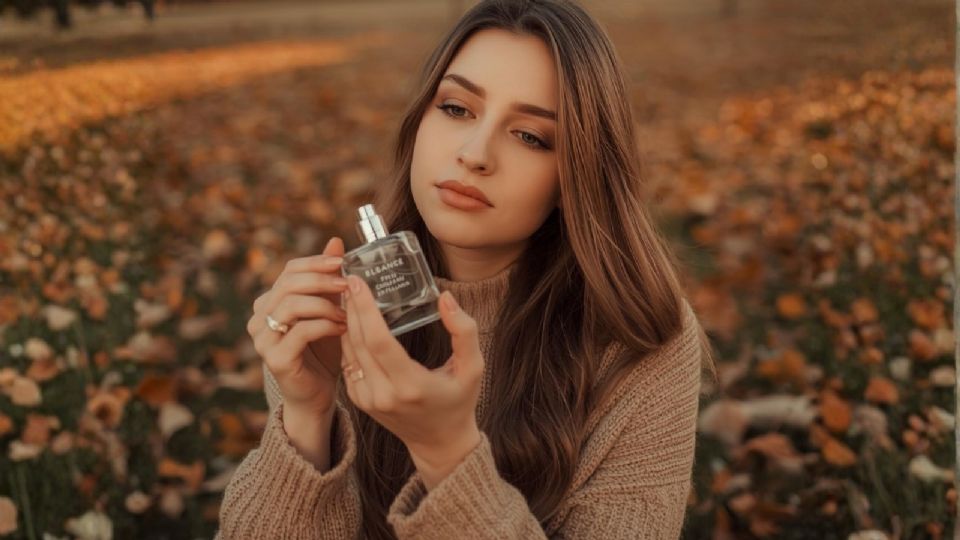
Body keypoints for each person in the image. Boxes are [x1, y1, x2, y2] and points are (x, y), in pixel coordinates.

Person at [217, 0, 716, 538]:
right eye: (456, 108)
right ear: (419, 121)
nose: (475, 154)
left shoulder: (642, 339)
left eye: (530, 136)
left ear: (575, 175)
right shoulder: (334, 317)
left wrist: (447, 454)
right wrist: (307, 419)